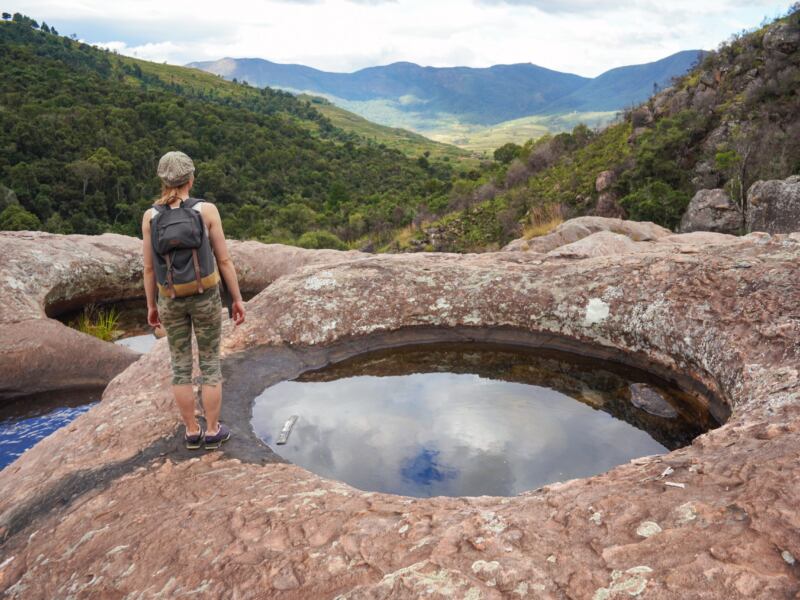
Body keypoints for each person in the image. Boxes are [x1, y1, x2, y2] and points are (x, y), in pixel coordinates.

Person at [141, 150, 246, 450]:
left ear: (163, 181)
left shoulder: (151, 217)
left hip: (170, 300)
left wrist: (151, 306)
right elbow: (224, 260)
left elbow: (149, 268)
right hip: (206, 297)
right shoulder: (207, 210)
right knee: (210, 364)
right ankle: (213, 430)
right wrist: (236, 299)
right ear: (191, 178)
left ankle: (191, 430)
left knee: (181, 367)